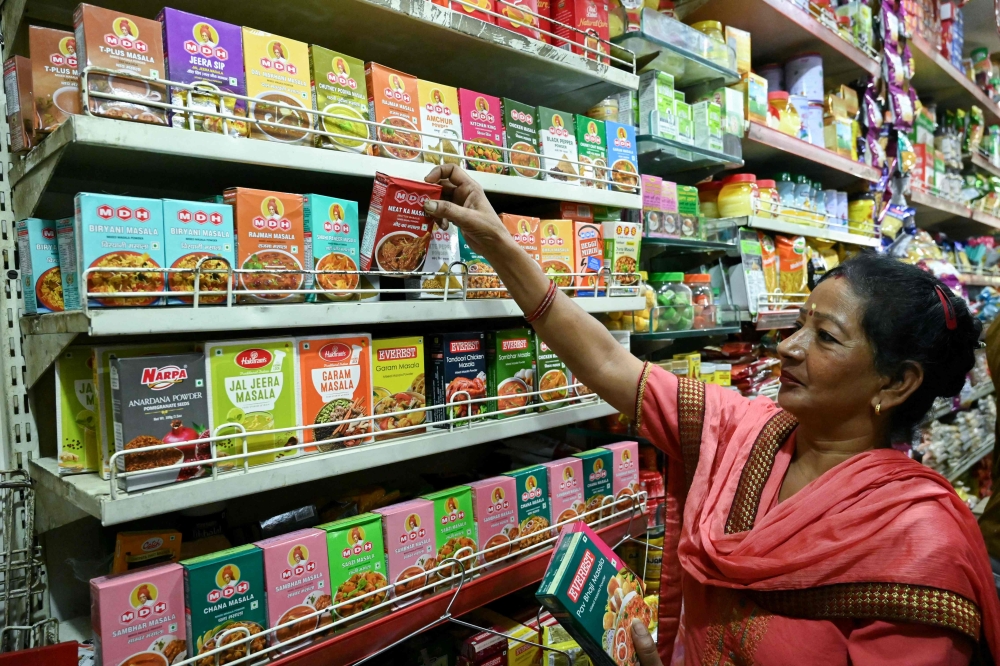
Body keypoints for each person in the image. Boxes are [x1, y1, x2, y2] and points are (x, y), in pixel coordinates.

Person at [422, 164, 1000, 665]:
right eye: (798, 323)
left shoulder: (920, 543)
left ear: (897, 383)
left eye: (825, 337)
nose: (788, 347)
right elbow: (606, 361)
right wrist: (497, 240)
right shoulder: (743, 432)